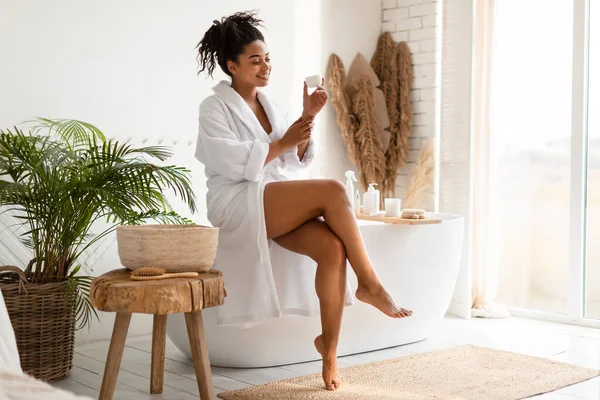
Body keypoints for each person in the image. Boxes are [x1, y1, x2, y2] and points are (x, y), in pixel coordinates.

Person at [194, 11, 412, 391]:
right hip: (236, 201)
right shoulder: (214, 108)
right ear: (232, 66)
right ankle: (371, 283)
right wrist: (283, 141)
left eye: (267, 58)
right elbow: (228, 161)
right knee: (333, 190)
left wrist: (308, 117)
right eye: (255, 60)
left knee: (331, 248)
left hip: (269, 196)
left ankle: (329, 349)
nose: (266, 67)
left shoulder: (270, 103)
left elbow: (290, 159)